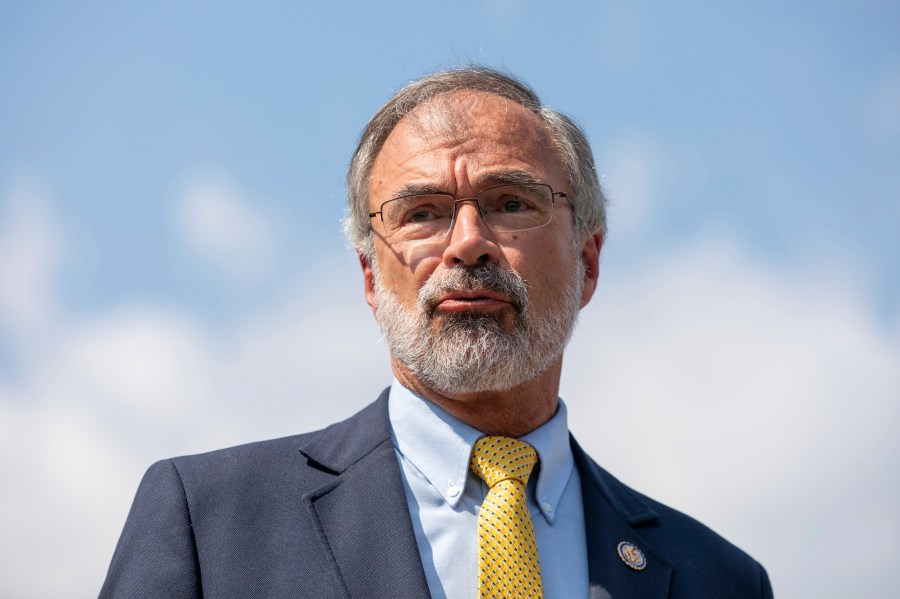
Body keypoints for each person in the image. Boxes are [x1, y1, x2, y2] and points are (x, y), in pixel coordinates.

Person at [101, 66, 773, 598]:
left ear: (588, 260)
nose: (470, 243)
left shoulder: (719, 579)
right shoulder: (209, 523)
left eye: (512, 202)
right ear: (369, 274)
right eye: (423, 212)